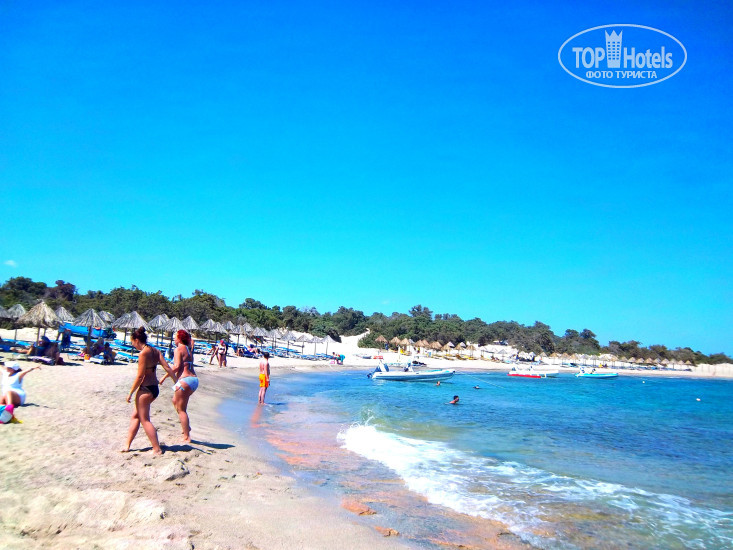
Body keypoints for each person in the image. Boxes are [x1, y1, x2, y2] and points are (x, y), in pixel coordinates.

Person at [123, 327, 178, 455]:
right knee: (136, 415)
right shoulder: (155, 351)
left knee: (145, 420)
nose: (132, 344)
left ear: (136, 340)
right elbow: (167, 367)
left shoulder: (143, 353)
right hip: (154, 389)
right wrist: (176, 381)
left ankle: (156, 449)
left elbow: (140, 376)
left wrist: (130, 392)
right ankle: (127, 445)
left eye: (132, 342)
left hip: (145, 389)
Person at [160, 329, 198, 443]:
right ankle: (187, 427)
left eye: (175, 337)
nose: (174, 339)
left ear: (180, 338)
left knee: (181, 409)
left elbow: (176, 367)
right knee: (174, 400)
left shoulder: (178, 349)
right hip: (193, 380)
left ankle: (187, 436)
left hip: (184, 381)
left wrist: (164, 377)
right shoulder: (188, 349)